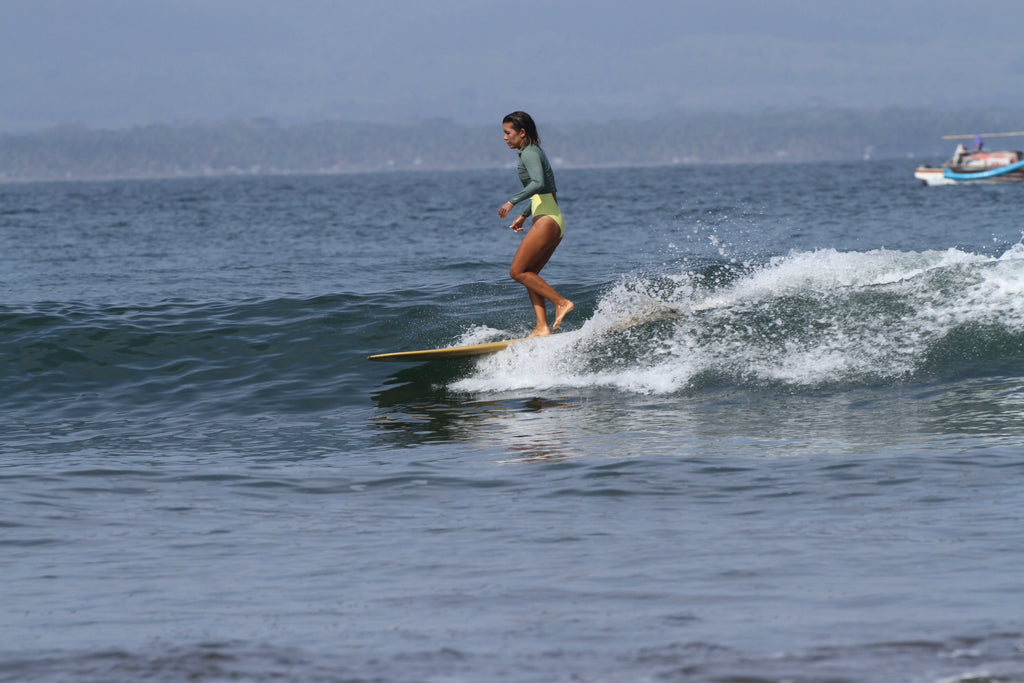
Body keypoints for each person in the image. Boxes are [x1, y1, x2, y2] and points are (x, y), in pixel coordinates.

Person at [497, 111, 574, 337]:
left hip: (547, 219)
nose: (504, 138)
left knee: (517, 271)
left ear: (522, 133)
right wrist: (524, 214)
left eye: (508, 133)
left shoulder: (529, 153)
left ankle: (561, 303)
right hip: (550, 215)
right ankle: (541, 327)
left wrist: (512, 201)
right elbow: (544, 191)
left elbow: (538, 183)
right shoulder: (531, 152)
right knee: (530, 273)